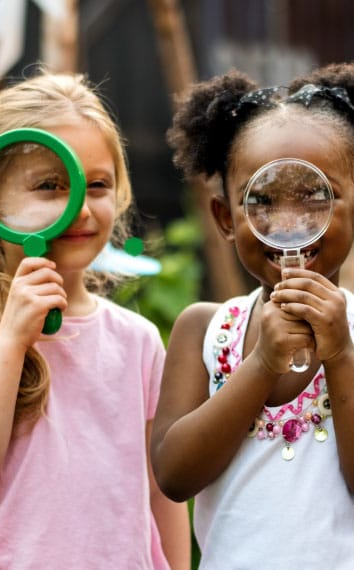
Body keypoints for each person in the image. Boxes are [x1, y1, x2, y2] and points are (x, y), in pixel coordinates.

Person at [0, 70, 191, 570]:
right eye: (49, 185)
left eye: (99, 185)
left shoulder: (139, 342)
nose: (80, 209)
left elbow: (162, 490)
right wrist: (11, 340)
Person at [150, 64, 354, 569]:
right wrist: (261, 363)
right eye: (260, 201)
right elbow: (174, 477)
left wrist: (342, 355)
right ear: (225, 218)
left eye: (314, 197)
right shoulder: (204, 330)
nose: (289, 224)